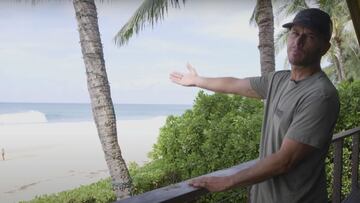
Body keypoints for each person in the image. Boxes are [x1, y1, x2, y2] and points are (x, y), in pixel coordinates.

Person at [169, 8, 339, 203]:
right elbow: (234, 84)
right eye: (295, 33)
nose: (298, 42)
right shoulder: (279, 80)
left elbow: (286, 160)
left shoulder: (321, 95)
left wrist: (227, 181)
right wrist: (197, 80)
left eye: (309, 36)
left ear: (325, 48)